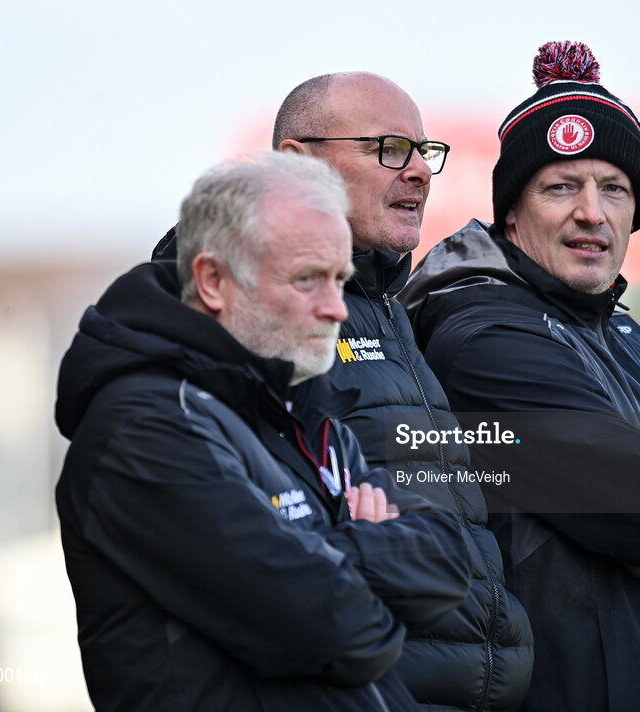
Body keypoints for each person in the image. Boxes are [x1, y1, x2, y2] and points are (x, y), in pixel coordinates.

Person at [400, 42, 640, 712]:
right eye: (561, 187)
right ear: (512, 214)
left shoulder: (634, 343)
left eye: (613, 189)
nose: (592, 212)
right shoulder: (482, 337)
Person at [152, 72, 533, 712]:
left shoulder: (388, 311)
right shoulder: (241, 306)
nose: (418, 171)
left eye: (423, 151)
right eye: (387, 148)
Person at [55, 152, 471, 712]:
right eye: (307, 279)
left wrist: (323, 554)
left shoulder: (303, 411)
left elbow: (447, 560)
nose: (336, 309)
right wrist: (369, 555)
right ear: (213, 280)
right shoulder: (144, 425)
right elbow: (340, 627)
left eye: (340, 280)